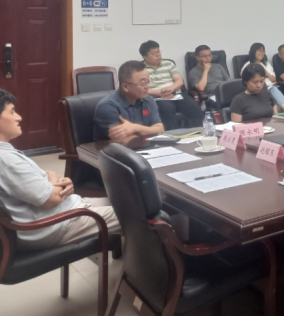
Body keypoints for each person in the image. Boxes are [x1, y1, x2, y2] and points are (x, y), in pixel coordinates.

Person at [0, 89, 121, 249]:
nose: (18, 117)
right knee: (137, 216)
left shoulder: (6, 154)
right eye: (12, 112)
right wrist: (53, 181)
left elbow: (42, 178)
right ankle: (138, 264)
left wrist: (55, 180)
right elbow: (52, 199)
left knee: (125, 201)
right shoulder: (6, 160)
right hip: (54, 224)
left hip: (63, 211)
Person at [94, 60, 165, 142]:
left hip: (147, 148)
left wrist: (135, 128)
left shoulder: (149, 100)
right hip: (113, 149)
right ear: (125, 87)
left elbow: (160, 129)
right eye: (143, 83)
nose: (147, 86)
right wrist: (149, 131)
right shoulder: (107, 106)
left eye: (148, 81)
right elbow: (124, 140)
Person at [140, 40, 204, 129]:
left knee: (194, 108)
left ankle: (200, 132)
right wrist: (160, 93)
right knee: (166, 109)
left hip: (176, 94)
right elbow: (142, 88)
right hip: (157, 98)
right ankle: (172, 135)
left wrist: (171, 88)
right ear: (145, 57)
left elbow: (179, 80)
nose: (158, 55)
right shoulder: (140, 69)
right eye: (153, 53)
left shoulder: (169, 64)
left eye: (158, 51)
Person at [241, 43, 284, 113]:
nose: (261, 53)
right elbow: (245, 81)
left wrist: (267, 74)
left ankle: (283, 111)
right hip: (257, 89)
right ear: (253, 51)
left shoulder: (267, 64)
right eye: (259, 51)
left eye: (263, 51)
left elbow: (274, 80)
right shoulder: (247, 65)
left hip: (270, 87)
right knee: (272, 91)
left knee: (273, 89)